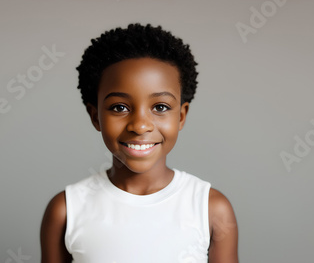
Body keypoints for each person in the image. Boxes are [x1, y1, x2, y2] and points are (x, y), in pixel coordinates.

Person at [40, 23, 238, 263]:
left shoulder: (211, 208)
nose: (140, 125)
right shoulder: (66, 210)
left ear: (181, 116)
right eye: (119, 108)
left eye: (160, 107)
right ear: (95, 117)